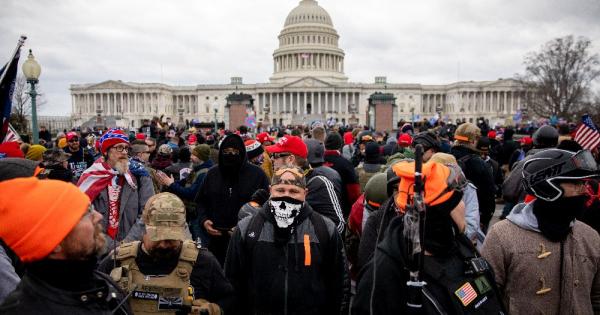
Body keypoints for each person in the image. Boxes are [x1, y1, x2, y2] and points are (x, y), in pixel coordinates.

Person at [353, 160, 505, 314]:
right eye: (459, 200)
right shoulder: (383, 273)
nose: (464, 207)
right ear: (443, 211)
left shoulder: (461, 245)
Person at [482, 149, 600, 314]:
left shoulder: (590, 237)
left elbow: (597, 299)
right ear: (548, 188)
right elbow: (487, 298)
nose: (584, 190)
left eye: (584, 183)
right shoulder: (502, 236)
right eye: (576, 183)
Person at [225, 167, 350, 315]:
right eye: (280, 190)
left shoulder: (324, 229)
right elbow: (231, 282)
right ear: (270, 191)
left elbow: (339, 283)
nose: (286, 196)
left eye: (293, 191)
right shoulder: (247, 229)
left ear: (305, 193)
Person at [0, 178, 131, 314]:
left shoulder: (104, 283)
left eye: (91, 208)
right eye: (85, 213)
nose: (98, 216)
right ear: (55, 243)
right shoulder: (25, 309)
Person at [100, 193, 233, 314]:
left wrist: (212, 309)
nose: (163, 245)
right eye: (157, 238)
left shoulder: (203, 262)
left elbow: (229, 300)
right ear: (144, 229)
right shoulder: (117, 261)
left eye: (171, 239)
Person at [196, 134, 270, 264]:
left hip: (248, 241)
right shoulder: (212, 174)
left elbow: (267, 205)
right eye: (226, 152)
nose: (231, 155)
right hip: (216, 239)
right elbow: (201, 201)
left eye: (235, 152)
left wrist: (247, 227)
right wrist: (204, 221)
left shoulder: (257, 174)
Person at [78, 128, 155, 251]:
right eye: (119, 148)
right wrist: (110, 246)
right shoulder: (91, 177)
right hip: (101, 251)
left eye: (126, 148)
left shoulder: (140, 175)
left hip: (133, 250)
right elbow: (83, 215)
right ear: (106, 152)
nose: (124, 152)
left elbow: (149, 212)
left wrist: (126, 244)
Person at [266, 135, 346, 233]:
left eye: (275, 155)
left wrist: (304, 238)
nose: (272, 159)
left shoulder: (318, 183)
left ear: (290, 159)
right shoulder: (278, 182)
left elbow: (338, 226)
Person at [157, 144, 213, 242]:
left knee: (198, 242)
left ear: (201, 157)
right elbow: (183, 183)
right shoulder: (196, 169)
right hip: (190, 212)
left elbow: (191, 193)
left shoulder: (204, 173)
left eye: (194, 155)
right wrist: (170, 183)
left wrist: (171, 184)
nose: (191, 157)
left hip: (198, 214)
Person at [451, 123, 496, 231]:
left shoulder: (446, 157)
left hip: (450, 215)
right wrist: (484, 219)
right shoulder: (480, 164)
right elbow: (489, 194)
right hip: (474, 217)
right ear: (473, 140)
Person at [324, 132, 361, 219]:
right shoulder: (346, 164)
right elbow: (354, 193)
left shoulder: (317, 162)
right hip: (342, 210)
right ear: (340, 145)